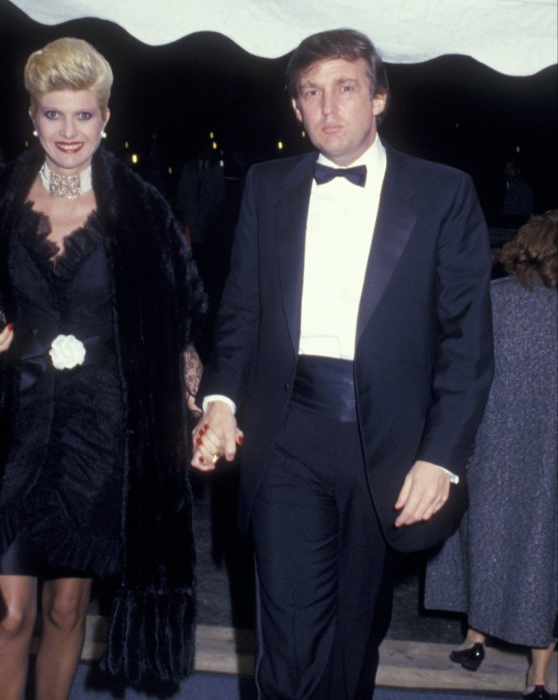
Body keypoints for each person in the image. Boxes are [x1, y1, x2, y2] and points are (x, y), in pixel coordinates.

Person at [190, 28, 494, 699]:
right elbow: (239, 314)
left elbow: (467, 344)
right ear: (295, 108)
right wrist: (220, 401)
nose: (328, 107)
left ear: (379, 97)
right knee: (288, 646)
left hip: (387, 446)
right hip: (287, 432)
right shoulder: (267, 187)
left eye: (345, 88)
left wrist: (440, 457)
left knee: (353, 644)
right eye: (311, 92)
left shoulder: (445, 194)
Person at [0, 37, 205, 699]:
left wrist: (190, 405)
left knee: (67, 608)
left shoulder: (143, 210)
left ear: (106, 117)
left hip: (100, 434)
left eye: (83, 115)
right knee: (9, 612)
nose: (68, 131)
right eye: (53, 114)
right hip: (7, 431)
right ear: (32, 116)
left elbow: (178, 327)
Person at [425, 211, 557, 700]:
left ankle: (474, 640)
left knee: (482, 536)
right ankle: (538, 677)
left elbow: (458, 368)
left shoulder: (492, 302)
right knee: (544, 552)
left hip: (492, 443)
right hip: (550, 450)